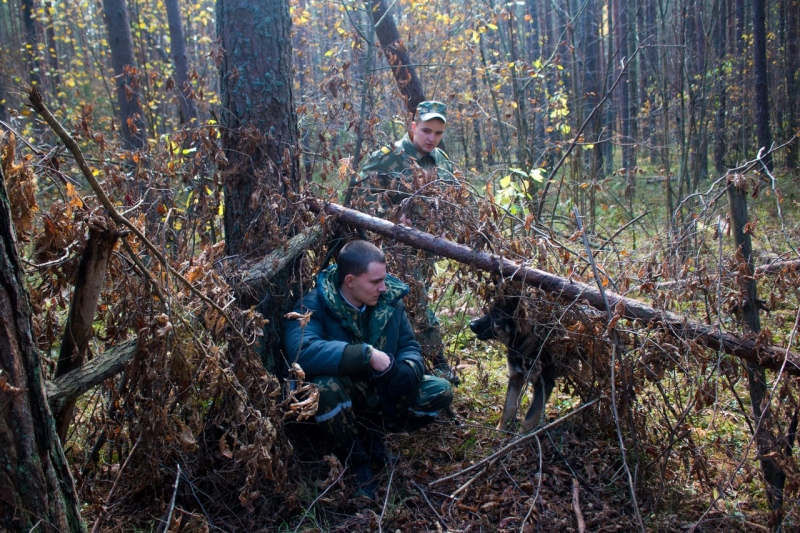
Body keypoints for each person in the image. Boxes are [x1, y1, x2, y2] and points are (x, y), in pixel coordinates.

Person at [284, 240, 453, 496]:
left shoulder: (389, 301)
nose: (383, 287)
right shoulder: (313, 305)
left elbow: (409, 345)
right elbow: (302, 351)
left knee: (439, 390)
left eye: (383, 279)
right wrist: (366, 355)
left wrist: (407, 370)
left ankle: (376, 437)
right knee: (323, 388)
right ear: (350, 281)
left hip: (381, 394)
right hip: (344, 398)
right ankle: (356, 457)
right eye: (375, 281)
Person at [356, 101, 458, 384]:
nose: (431, 138)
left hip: (427, 251)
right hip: (392, 250)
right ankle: (438, 364)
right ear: (413, 126)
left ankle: (409, 361)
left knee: (412, 305)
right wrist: (390, 217)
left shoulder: (442, 161)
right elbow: (358, 199)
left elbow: (450, 201)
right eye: (426, 130)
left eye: (438, 133)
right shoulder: (387, 158)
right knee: (416, 300)